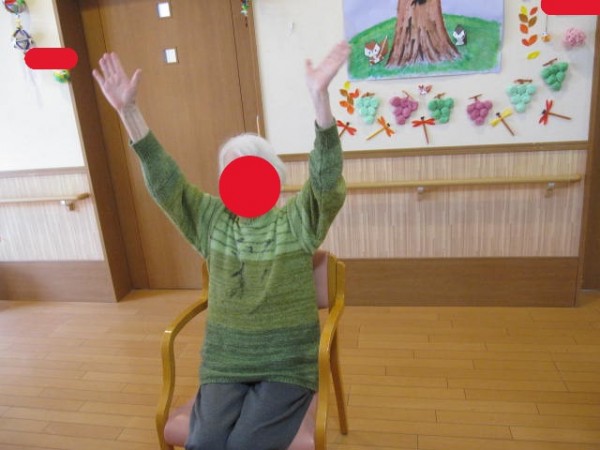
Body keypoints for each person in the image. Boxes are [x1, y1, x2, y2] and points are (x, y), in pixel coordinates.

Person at [93, 41, 349, 450]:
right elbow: (167, 184)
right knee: (205, 441)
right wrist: (129, 112)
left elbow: (325, 182)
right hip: (225, 363)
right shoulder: (211, 221)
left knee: (246, 444)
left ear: (274, 175)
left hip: (286, 365)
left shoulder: (298, 221)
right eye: (233, 169)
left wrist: (320, 101)